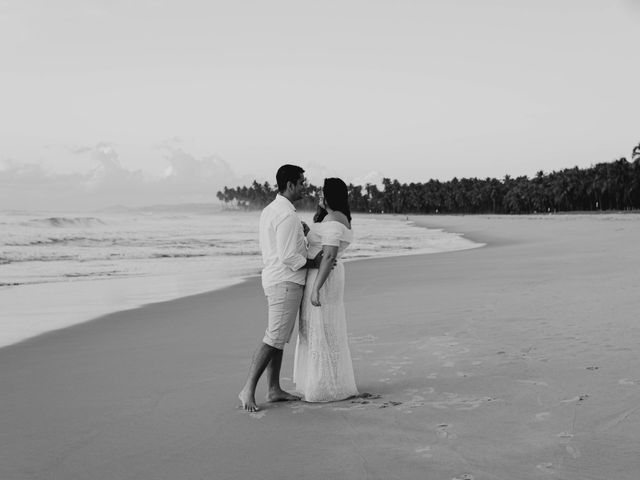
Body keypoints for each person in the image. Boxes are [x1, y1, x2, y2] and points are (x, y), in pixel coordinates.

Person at [238, 164, 322, 412]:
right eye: (302, 182)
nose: (304, 187)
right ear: (290, 185)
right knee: (273, 338)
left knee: (278, 338)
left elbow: (279, 247)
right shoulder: (287, 214)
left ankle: (274, 389)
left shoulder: (271, 210)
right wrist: (313, 262)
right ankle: (248, 389)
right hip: (285, 281)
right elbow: (288, 256)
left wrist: (301, 233)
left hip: (276, 279)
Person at [293, 177, 359, 402]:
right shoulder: (340, 218)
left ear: (332, 195)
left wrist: (315, 290)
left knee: (320, 328)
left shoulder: (333, 219)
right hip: (329, 274)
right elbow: (325, 249)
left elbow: (329, 254)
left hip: (323, 277)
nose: (319, 196)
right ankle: (327, 381)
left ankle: (323, 386)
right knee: (325, 329)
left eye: (323, 193)